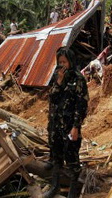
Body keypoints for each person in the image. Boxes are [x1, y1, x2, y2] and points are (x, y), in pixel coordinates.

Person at [44, 47, 89, 198]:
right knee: (56, 156)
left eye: (64, 61)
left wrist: (76, 127)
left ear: (70, 61)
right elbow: (52, 99)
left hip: (70, 127)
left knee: (71, 158)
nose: (62, 64)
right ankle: (54, 187)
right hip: (56, 126)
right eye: (59, 62)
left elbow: (81, 105)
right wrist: (59, 81)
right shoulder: (57, 76)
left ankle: (72, 192)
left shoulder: (78, 79)